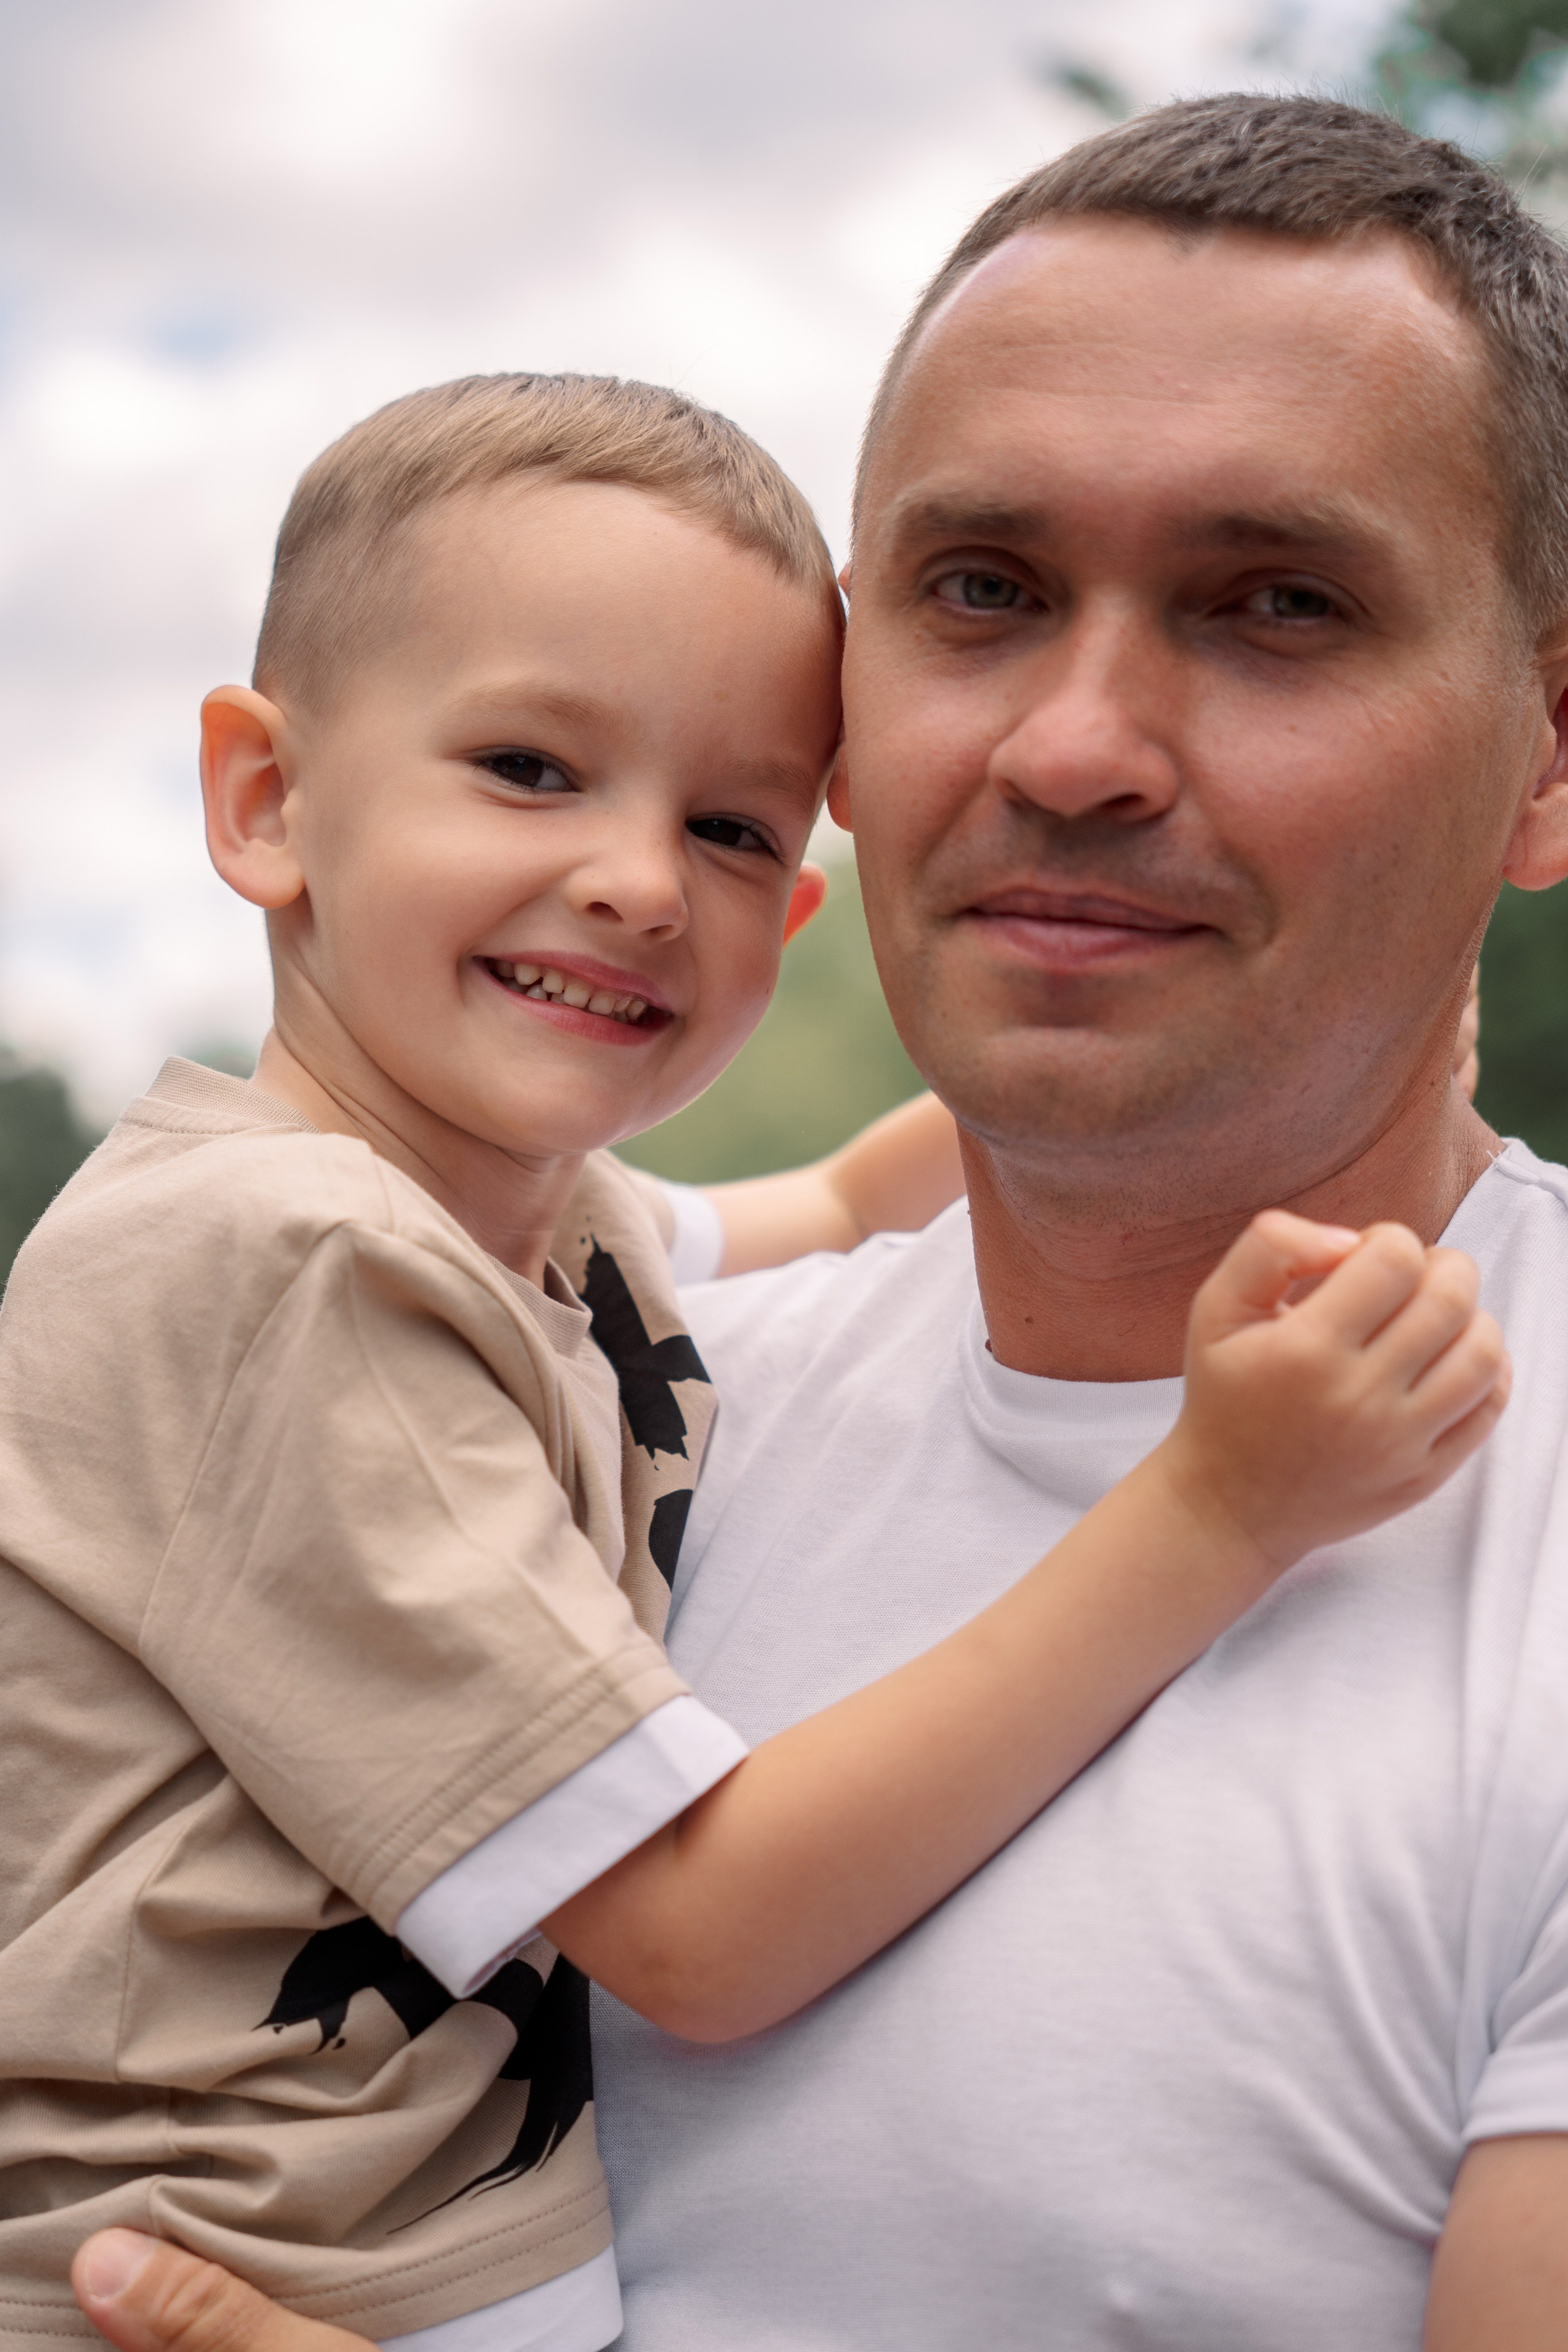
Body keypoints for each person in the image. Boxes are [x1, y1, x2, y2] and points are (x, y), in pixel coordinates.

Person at [72, 92, 1568, 2351]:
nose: (1074, 750)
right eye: (981, 592)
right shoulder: (538, 1372)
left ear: (1548, 759)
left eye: (1279, 605)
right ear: (859, 718)